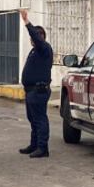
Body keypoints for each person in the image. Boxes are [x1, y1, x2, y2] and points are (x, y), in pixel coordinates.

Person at [19, 9, 54, 158]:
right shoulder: (35, 51)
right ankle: (34, 145)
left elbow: (37, 38)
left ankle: (42, 148)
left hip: (38, 90)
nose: (32, 39)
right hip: (31, 90)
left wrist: (27, 22)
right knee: (32, 119)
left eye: (35, 37)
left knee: (40, 119)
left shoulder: (44, 48)